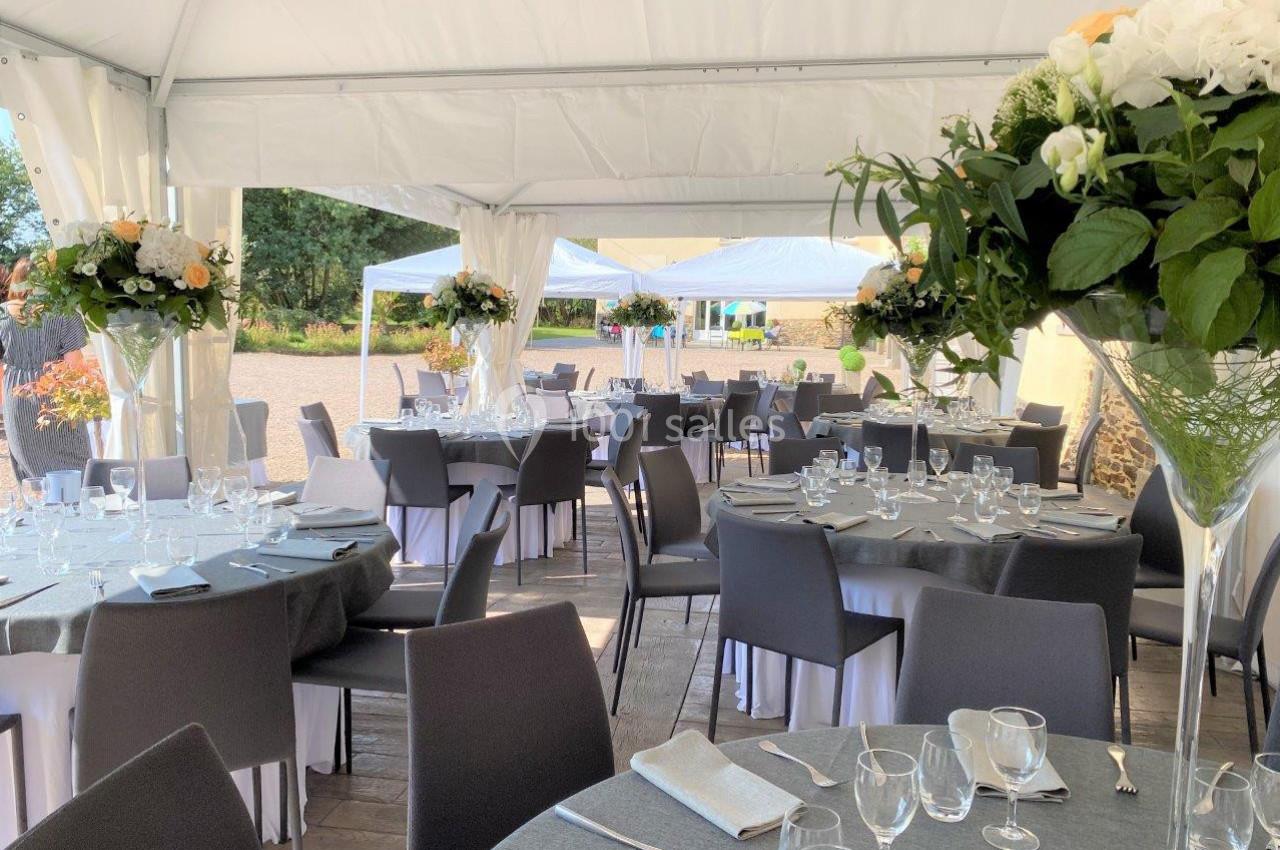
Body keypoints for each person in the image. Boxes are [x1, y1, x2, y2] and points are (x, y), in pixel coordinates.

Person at [0, 257, 93, 481]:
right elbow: (75, 368)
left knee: (31, 480)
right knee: (74, 472)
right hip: (55, 399)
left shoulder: (2, 315)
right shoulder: (64, 314)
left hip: (16, 401)